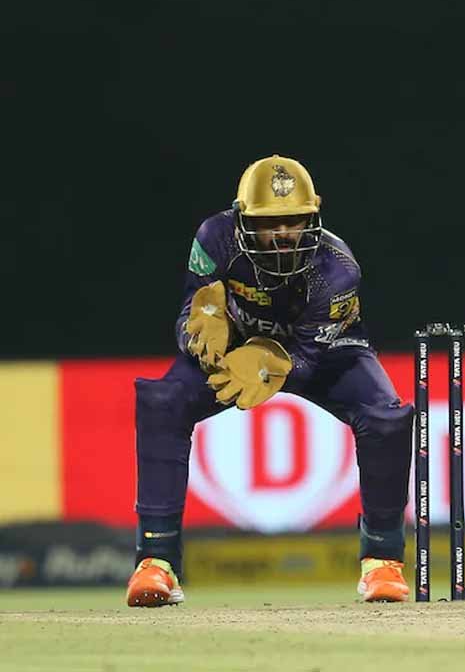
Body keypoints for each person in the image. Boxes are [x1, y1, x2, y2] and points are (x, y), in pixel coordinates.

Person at [126, 155, 413, 607]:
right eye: (268, 223)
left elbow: (308, 358)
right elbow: (188, 311)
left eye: (293, 221)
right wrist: (196, 332)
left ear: (312, 216)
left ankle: (382, 561)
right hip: (238, 344)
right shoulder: (215, 237)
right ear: (242, 219)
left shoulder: (338, 268)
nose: (282, 235)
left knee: (386, 418)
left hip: (325, 351)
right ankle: (156, 562)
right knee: (164, 402)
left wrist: (268, 359)